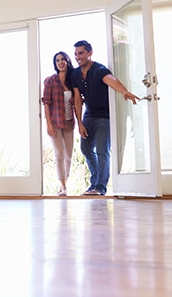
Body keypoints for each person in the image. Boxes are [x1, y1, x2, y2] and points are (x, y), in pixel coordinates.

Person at [70, 40, 140, 196]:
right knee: (86, 149)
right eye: (75, 54)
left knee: (102, 151)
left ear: (90, 52)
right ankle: (94, 183)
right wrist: (80, 123)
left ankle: (100, 187)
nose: (77, 57)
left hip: (104, 117)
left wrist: (124, 91)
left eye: (81, 53)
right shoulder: (75, 74)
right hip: (88, 116)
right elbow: (76, 99)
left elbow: (111, 80)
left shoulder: (99, 69)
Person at [42, 51, 75, 196]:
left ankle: (65, 182)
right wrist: (49, 123)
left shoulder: (72, 80)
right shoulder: (50, 80)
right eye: (57, 60)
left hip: (68, 121)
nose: (60, 62)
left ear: (67, 61)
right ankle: (63, 186)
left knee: (68, 155)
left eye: (63, 60)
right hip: (55, 121)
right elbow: (46, 103)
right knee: (59, 154)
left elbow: (79, 100)